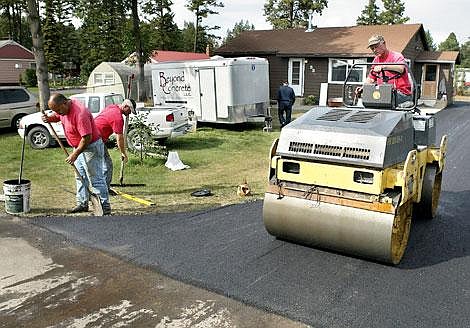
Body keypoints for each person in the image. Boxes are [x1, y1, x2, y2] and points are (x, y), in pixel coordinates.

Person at [43, 93, 110, 215]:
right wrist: (50, 118)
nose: (58, 113)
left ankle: (104, 207)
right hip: (78, 146)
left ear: (64, 103)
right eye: (54, 111)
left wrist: (75, 154)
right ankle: (82, 203)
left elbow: (87, 138)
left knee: (96, 178)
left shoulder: (80, 114)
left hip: (91, 147)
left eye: (58, 110)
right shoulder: (64, 109)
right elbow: (58, 116)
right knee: (80, 177)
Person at [357, 34, 413, 106]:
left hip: (401, 93)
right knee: (366, 100)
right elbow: (371, 78)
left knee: (381, 100)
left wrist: (384, 67)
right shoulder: (376, 60)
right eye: (372, 48)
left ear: (384, 43)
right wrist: (363, 88)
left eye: (376, 47)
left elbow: (401, 69)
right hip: (384, 93)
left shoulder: (396, 56)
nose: (374, 50)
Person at [94, 98, 137, 190]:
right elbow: (119, 138)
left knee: (99, 164)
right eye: (129, 111)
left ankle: (101, 187)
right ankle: (104, 189)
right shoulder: (118, 118)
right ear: (125, 106)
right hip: (96, 139)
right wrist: (123, 153)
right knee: (107, 164)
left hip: (94, 135)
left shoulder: (112, 107)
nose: (129, 113)